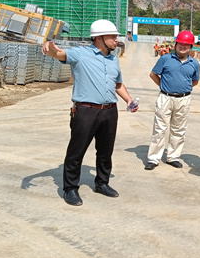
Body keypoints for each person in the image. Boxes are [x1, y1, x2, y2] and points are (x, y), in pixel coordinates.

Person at [41, 19, 138, 207]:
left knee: (105, 151)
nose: (116, 40)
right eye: (112, 36)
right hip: (86, 111)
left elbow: (117, 84)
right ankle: (70, 188)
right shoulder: (80, 54)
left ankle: (102, 183)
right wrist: (49, 46)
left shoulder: (113, 59)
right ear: (99, 38)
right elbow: (58, 53)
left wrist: (129, 100)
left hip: (110, 111)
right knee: (76, 151)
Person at [144, 30, 200, 170]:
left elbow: (195, 81)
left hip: (184, 99)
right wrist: (164, 86)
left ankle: (173, 157)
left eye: (186, 44)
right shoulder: (166, 59)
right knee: (159, 129)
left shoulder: (194, 63)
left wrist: (183, 89)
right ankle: (153, 158)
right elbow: (153, 74)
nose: (183, 46)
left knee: (179, 130)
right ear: (175, 44)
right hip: (165, 97)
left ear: (191, 47)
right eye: (180, 43)